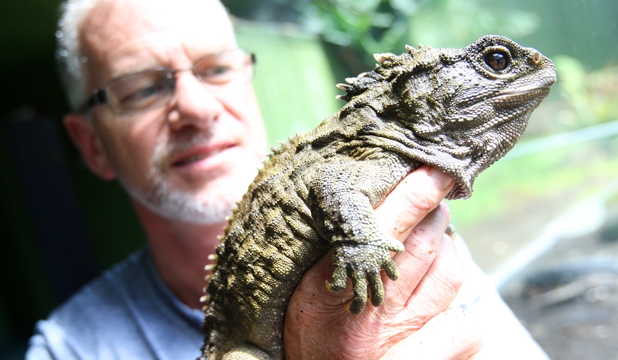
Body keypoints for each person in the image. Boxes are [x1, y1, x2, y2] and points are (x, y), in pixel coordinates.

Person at [26, 0, 548, 358]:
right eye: (140, 89)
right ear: (91, 144)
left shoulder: (421, 244)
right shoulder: (66, 347)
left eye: (216, 68)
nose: (197, 108)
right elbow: (335, 190)